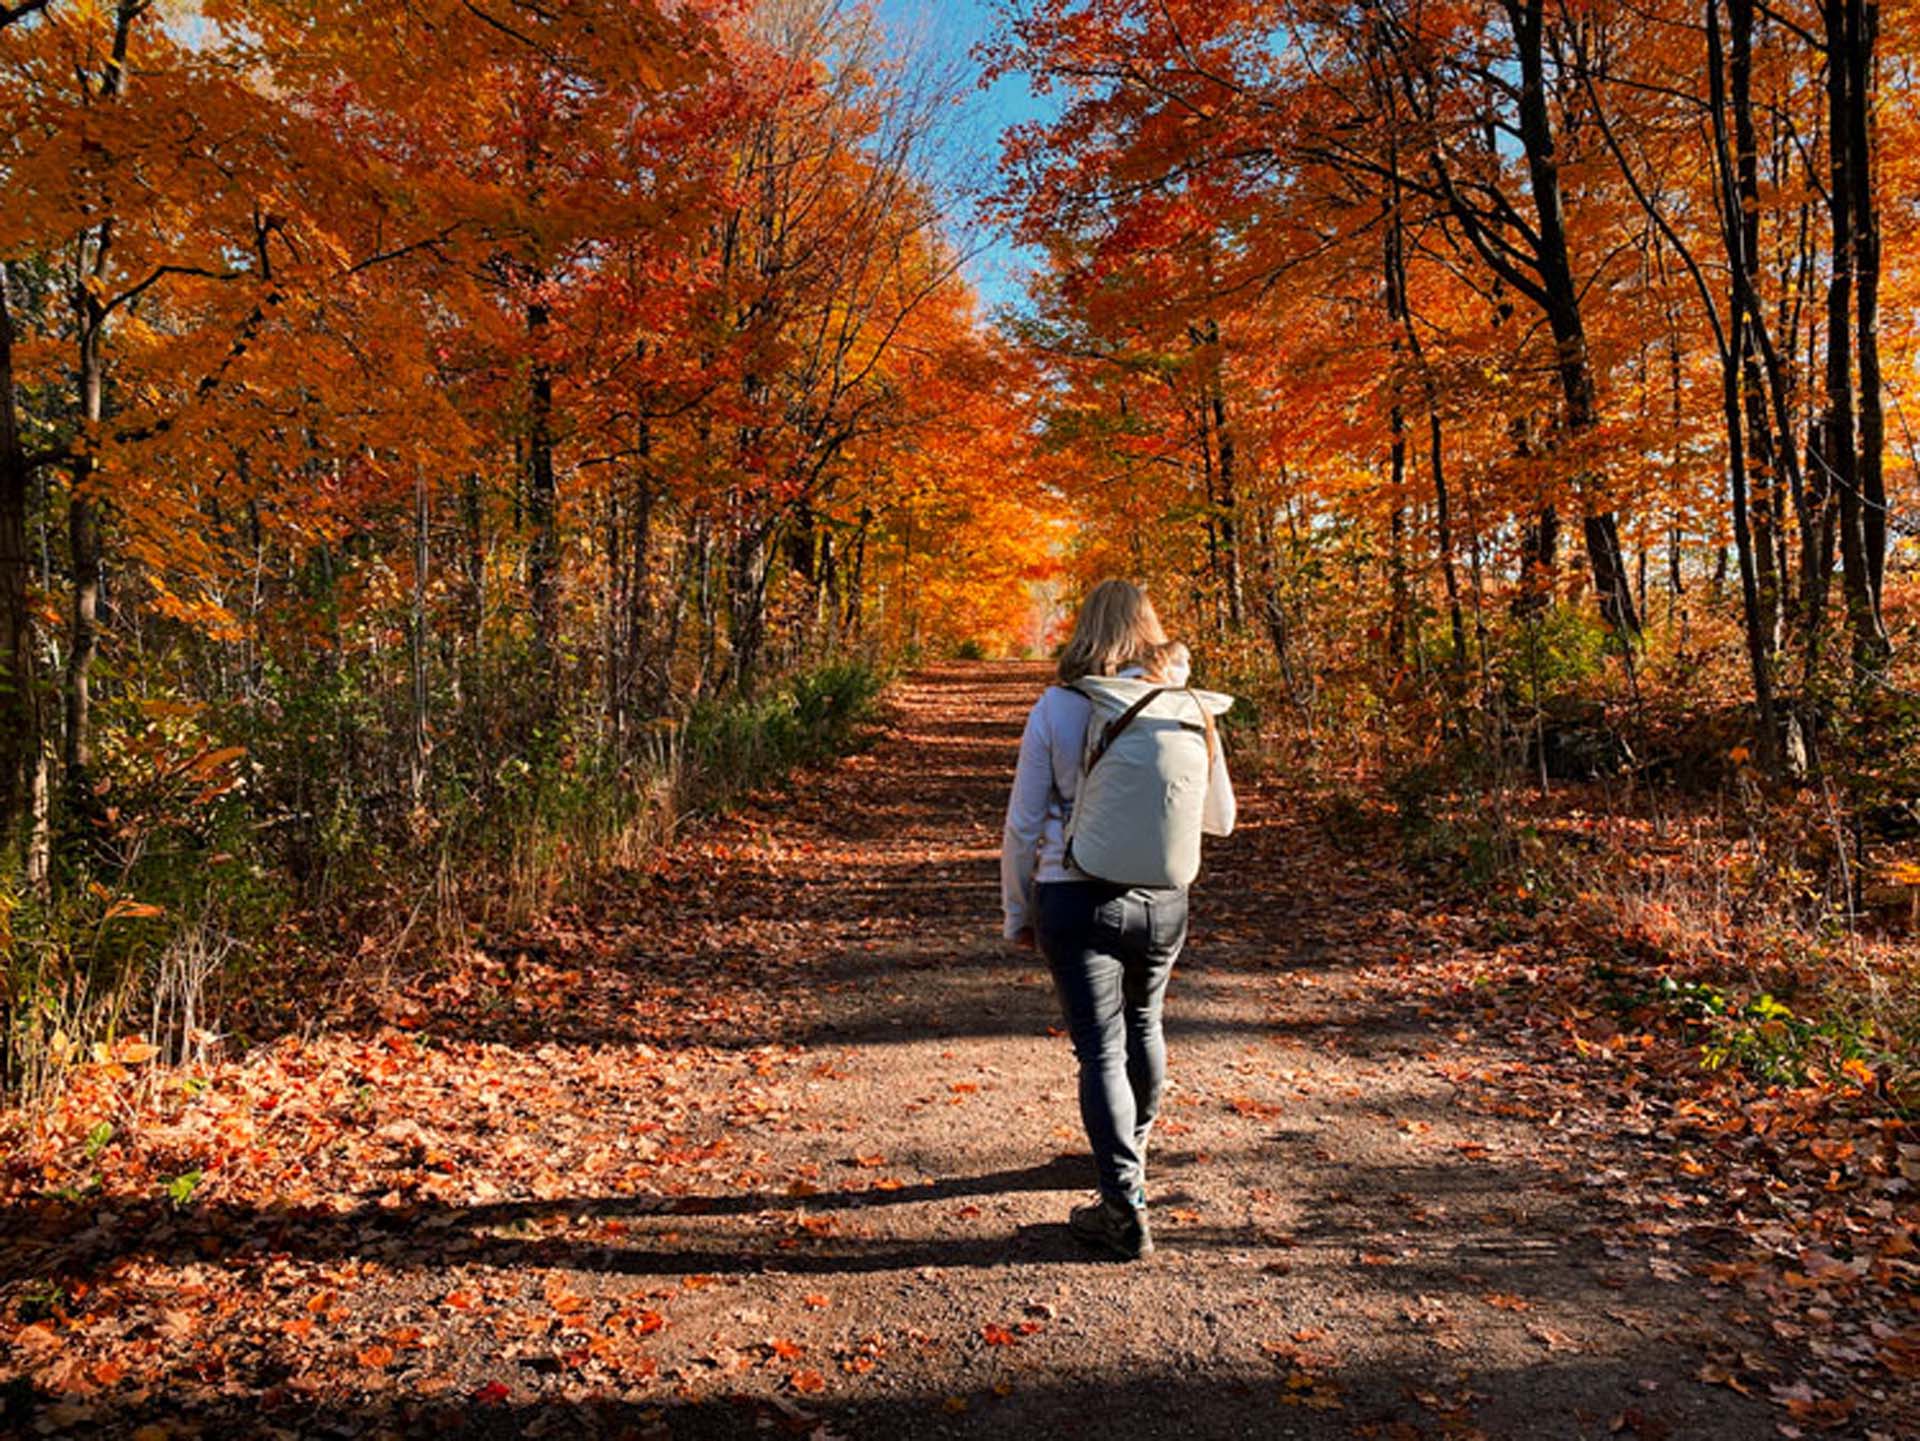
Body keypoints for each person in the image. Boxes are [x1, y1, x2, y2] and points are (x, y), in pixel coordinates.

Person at [1000, 580, 1235, 1260]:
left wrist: (1020, 911)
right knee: (1144, 1025)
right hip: (1164, 899)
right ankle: (1126, 1155)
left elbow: (1022, 823)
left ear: (1085, 631)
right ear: (1151, 627)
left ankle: (1122, 1202)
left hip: (1075, 896)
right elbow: (1220, 818)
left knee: (1099, 1048)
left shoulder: (1059, 705)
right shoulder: (1189, 705)